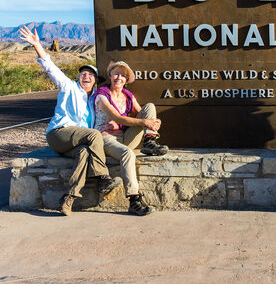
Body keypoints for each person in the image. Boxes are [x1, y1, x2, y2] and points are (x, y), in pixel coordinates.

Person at [19, 25, 121, 216]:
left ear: (95, 81)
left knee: (83, 153)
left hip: (76, 141)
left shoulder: (94, 101)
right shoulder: (69, 87)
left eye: (90, 75)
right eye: (83, 73)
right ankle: (102, 178)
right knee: (92, 135)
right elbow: (49, 66)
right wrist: (37, 46)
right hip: (58, 134)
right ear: (78, 77)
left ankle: (69, 198)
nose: (86, 76)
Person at [92, 60, 169, 215]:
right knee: (127, 153)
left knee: (150, 108)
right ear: (110, 76)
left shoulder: (128, 95)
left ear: (126, 80)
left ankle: (150, 141)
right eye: (116, 74)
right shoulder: (102, 95)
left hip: (125, 137)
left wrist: (152, 123)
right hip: (106, 138)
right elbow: (117, 118)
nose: (119, 78)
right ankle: (134, 200)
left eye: (123, 75)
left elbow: (144, 113)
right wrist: (145, 122)